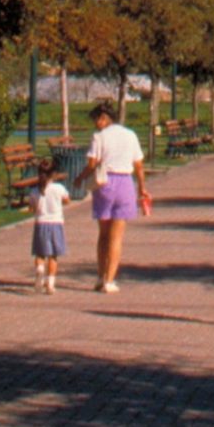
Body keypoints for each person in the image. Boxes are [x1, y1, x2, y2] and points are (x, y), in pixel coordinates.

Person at [80, 100, 150, 293]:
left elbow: (92, 163)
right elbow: (138, 165)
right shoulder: (130, 135)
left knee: (103, 234)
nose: (96, 124)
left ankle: (100, 276)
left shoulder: (99, 137)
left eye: (97, 120)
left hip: (105, 183)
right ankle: (110, 281)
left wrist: (80, 178)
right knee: (117, 237)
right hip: (125, 182)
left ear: (104, 119)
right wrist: (142, 188)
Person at [30, 156, 70, 293]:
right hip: (56, 223)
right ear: (54, 174)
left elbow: (33, 207)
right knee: (53, 255)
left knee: (40, 253)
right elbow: (67, 200)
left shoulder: (35, 191)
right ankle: (50, 283)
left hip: (41, 223)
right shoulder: (59, 188)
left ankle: (39, 270)